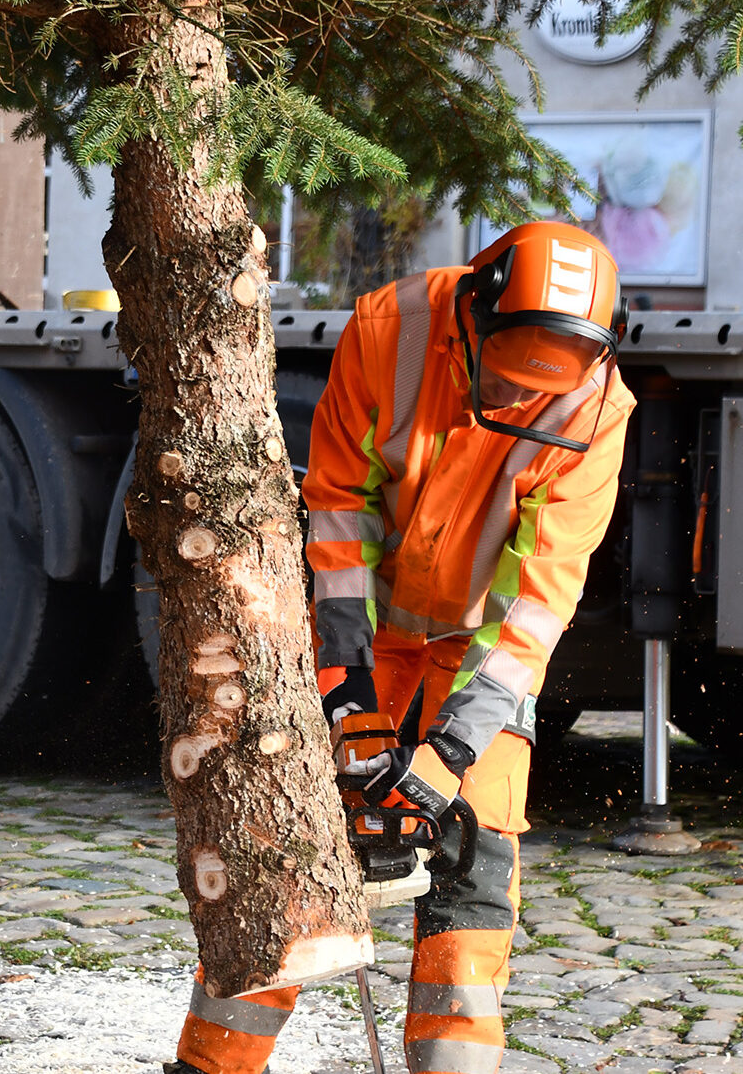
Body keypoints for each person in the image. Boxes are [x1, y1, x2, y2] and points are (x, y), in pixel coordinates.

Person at [167, 220, 637, 1074]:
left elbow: (537, 604)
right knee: (289, 855)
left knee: (477, 858)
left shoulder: (597, 412)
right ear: (473, 317)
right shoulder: (390, 333)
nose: (516, 401)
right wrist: (349, 702)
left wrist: (453, 749)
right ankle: (214, 1064)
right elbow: (340, 531)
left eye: (537, 391)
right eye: (502, 375)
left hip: (478, 655)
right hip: (370, 633)